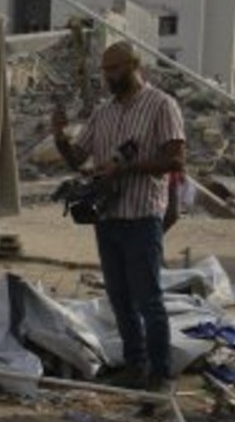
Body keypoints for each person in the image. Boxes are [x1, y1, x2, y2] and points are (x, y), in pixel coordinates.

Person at [53, 42, 187, 395]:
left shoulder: (161, 105)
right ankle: (135, 367)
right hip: (108, 218)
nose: (108, 77)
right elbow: (78, 159)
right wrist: (60, 138)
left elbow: (175, 160)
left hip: (142, 216)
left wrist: (126, 168)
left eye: (114, 69)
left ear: (133, 66)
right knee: (120, 299)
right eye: (105, 71)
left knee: (149, 300)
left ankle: (161, 375)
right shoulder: (104, 112)